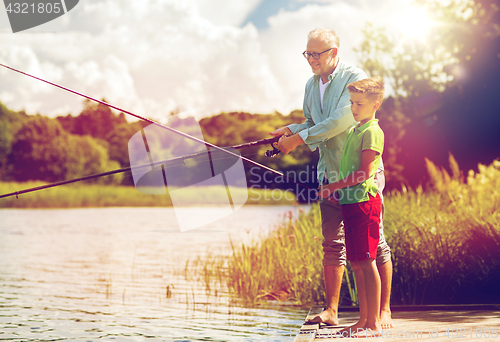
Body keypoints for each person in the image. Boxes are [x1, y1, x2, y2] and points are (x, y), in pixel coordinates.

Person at [270, 28, 393, 328]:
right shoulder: (311, 86)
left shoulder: (354, 77)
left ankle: (383, 311)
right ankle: (332, 311)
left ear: (334, 53)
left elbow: (340, 121)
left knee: (375, 244)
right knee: (332, 244)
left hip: (360, 177)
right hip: (330, 174)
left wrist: (299, 140)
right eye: (307, 53)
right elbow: (313, 122)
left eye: (316, 53)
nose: (310, 59)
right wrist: (291, 129)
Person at [319, 77, 385, 335]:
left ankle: (375, 323)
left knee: (367, 261)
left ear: (375, 105)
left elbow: (365, 173)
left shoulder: (371, 131)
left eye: (359, 103)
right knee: (356, 262)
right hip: (350, 201)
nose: (354, 108)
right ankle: (364, 320)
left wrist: (334, 187)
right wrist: (339, 193)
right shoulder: (355, 130)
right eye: (352, 103)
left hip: (365, 204)